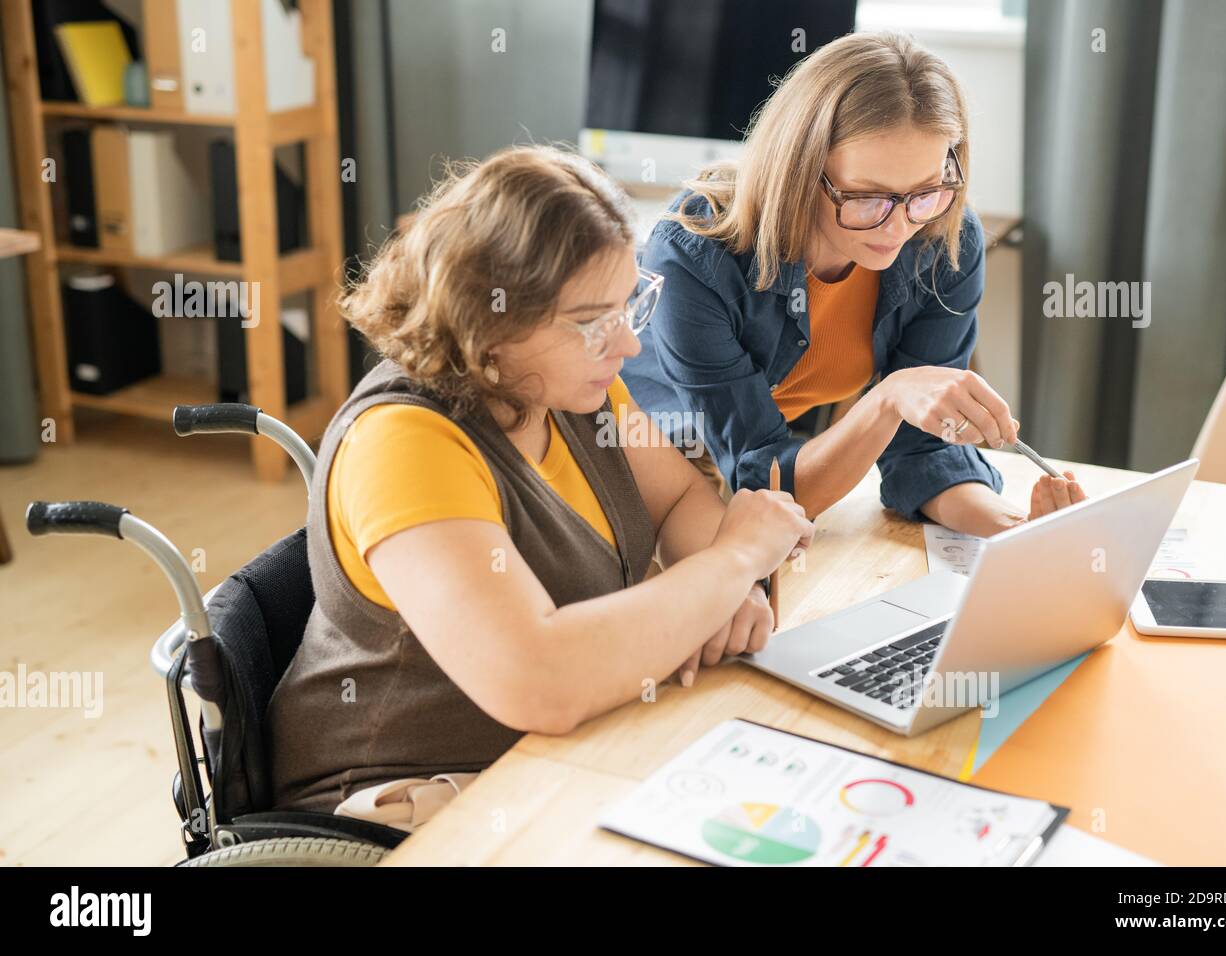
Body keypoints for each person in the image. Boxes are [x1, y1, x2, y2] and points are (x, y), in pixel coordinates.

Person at [267, 146, 813, 828]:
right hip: (404, 799)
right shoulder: (403, 442)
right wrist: (735, 562)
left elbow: (677, 500)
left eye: (628, 307)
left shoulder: (572, 388)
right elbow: (540, 682)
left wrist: (719, 587)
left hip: (558, 752)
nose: (627, 349)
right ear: (488, 319)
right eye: (591, 322)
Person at [623, 31, 1085, 536]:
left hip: (762, 475)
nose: (899, 228)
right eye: (867, 198)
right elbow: (767, 481)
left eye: (926, 191)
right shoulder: (698, 252)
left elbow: (922, 451)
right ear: (801, 170)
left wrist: (1017, 529)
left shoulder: (942, 239)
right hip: (650, 461)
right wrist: (890, 398)